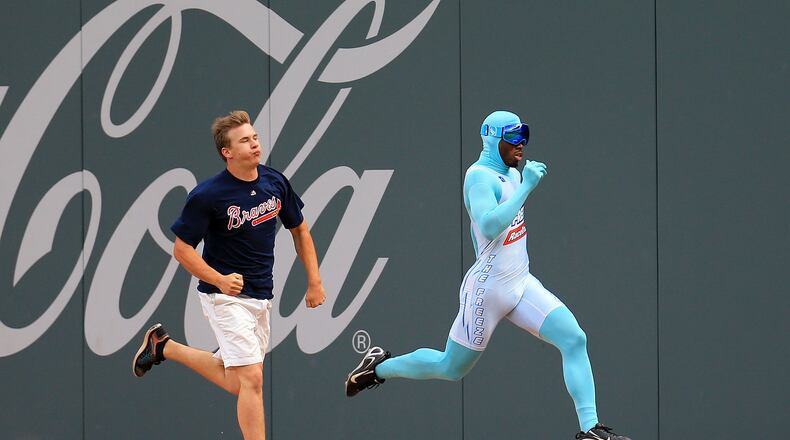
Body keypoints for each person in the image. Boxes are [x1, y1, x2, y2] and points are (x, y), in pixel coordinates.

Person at [345, 110, 631, 440]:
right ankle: (379, 367)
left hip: (520, 281)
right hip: (489, 290)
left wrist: (519, 186)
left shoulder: (510, 172)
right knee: (450, 368)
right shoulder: (479, 177)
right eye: (513, 137)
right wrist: (526, 188)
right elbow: (489, 225)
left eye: (524, 135)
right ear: (494, 140)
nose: (521, 144)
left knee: (574, 338)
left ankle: (589, 430)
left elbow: (479, 235)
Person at [132, 110, 326, 440]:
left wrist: (314, 280)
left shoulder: (274, 182)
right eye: (244, 141)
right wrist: (220, 279)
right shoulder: (209, 195)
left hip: (261, 296)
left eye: (255, 138)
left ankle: (164, 347)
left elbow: (300, 229)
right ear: (227, 152)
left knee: (239, 382)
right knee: (252, 379)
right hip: (224, 296)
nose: (254, 144)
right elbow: (182, 250)